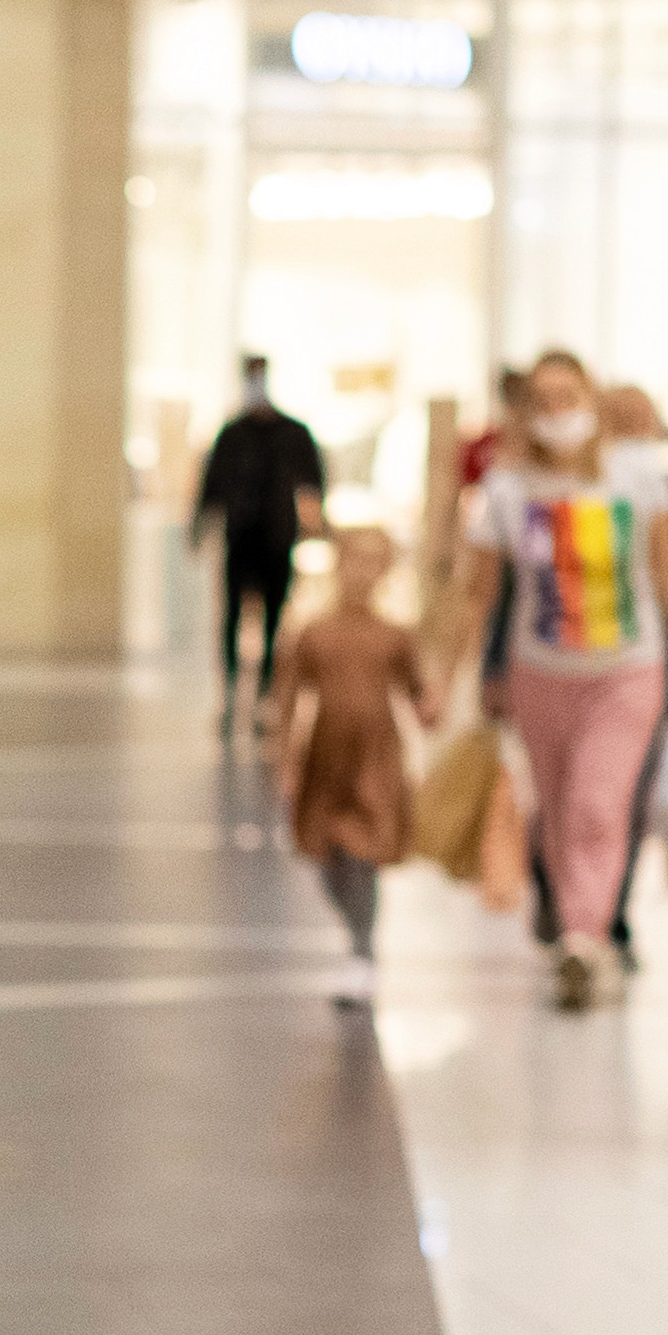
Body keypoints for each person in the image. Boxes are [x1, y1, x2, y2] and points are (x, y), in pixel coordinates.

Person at [447, 347, 668, 1012]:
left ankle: (582, 937)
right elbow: (479, 594)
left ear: (591, 399)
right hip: (540, 673)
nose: (556, 413)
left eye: (568, 396)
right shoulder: (507, 490)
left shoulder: (636, 476)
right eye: (542, 401)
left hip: (629, 670)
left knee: (600, 805)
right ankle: (573, 916)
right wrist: (445, 676)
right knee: (557, 806)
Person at [265, 521, 428, 1007]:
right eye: (355, 560)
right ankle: (356, 936)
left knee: (362, 851)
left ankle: (361, 949)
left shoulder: (396, 636)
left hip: (377, 756)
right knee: (329, 856)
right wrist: (286, 760)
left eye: (375, 562)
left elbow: (418, 694)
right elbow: (289, 700)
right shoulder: (312, 633)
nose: (363, 572)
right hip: (327, 755)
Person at [189, 354, 327, 726]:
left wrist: (316, 523)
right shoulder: (233, 434)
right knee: (232, 617)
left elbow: (314, 481)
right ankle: (231, 694)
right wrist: (200, 528)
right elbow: (212, 484)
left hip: (277, 538)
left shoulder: (292, 433)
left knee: (273, 622)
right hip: (241, 537)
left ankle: (267, 695)